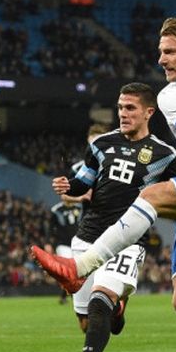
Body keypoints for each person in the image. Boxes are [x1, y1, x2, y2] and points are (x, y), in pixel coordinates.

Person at [31, 17, 176, 352]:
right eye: (160, 51)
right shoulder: (172, 96)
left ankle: (80, 267)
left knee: (153, 195)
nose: (161, 59)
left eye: (170, 51)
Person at [51, 83, 176, 352]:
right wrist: (67, 186)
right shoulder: (101, 144)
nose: (123, 114)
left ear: (148, 112)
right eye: (120, 108)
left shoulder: (165, 155)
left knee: (101, 298)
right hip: (87, 237)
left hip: (128, 239)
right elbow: (83, 182)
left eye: (130, 109)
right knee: (87, 321)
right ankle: (117, 312)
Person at [50, 123, 108, 305]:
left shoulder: (114, 164)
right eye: (92, 142)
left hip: (112, 221)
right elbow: (65, 196)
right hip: (88, 223)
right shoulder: (77, 168)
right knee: (84, 267)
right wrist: (83, 197)